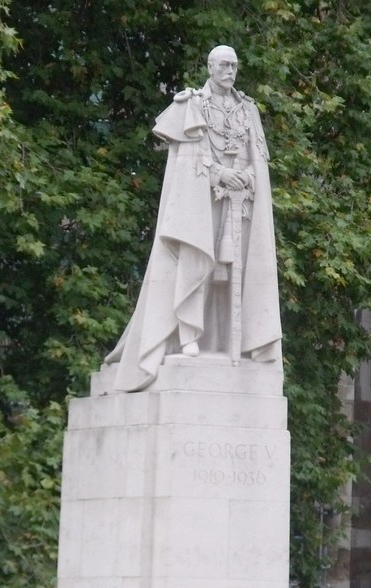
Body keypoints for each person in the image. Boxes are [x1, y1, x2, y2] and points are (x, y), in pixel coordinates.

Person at [105, 45, 282, 391]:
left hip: (238, 204)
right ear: (210, 68)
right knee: (196, 260)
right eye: (223, 65)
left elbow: (255, 156)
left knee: (233, 271)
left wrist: (244, 176)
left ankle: (226, 341)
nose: (230, 71)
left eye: (234, 65)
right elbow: (190, 157)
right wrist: (220, 174)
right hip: (202, 200)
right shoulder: (191, 105)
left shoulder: (248, 110)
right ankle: (189, 336)